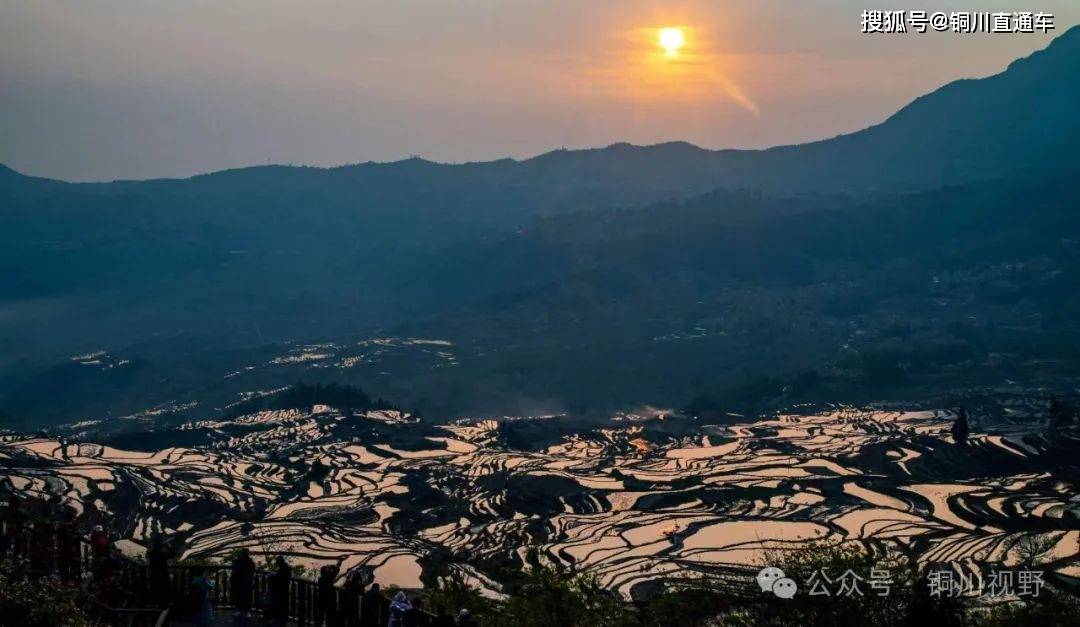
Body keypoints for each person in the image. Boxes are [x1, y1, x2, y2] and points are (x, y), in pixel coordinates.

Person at [147, 535, 172, 606]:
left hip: (154, 574)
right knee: (163, 589)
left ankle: (153, 603)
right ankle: (163, 603)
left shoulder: (151, 553)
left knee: (154, 589)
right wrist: (169, 546)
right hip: (162, 574)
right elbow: (172, 554)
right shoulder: (162, 554)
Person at [231, 548, 256, 614]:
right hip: (244, 581)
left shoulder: (239, 560)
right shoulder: (248, 561)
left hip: (242, 581)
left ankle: (242, 609)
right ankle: (245, 610)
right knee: (245, 596)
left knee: (241, 596)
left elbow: (234, 570)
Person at [270, 555, 292, 625]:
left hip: (280, 590)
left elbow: (279, 579)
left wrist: (273, 577)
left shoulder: (282, 569)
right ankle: (283, 619)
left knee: (280, 604)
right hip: (285, 589)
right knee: (284, 604)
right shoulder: (287, 568)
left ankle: (279, 619)